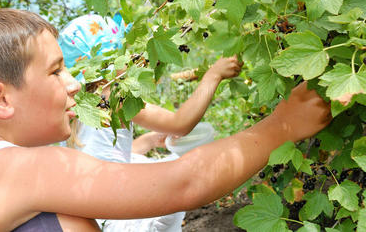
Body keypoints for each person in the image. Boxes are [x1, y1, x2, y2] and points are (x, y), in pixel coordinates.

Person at [0, 7, 331, 231]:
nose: (74, 85)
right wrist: (283, 125)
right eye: (55, 72)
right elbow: (184, 182)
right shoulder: (19, 168)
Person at [59, 13, 243, 231]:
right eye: (123, 55)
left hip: (90, 210)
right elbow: (180, 123)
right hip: (117, 215)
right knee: (178, 178)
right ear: (109, 63)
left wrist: (150, 140)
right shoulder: (114, 97)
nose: (130, 61)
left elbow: (106, 154)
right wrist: (213, 75)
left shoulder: (76, 105)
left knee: (153, 166)